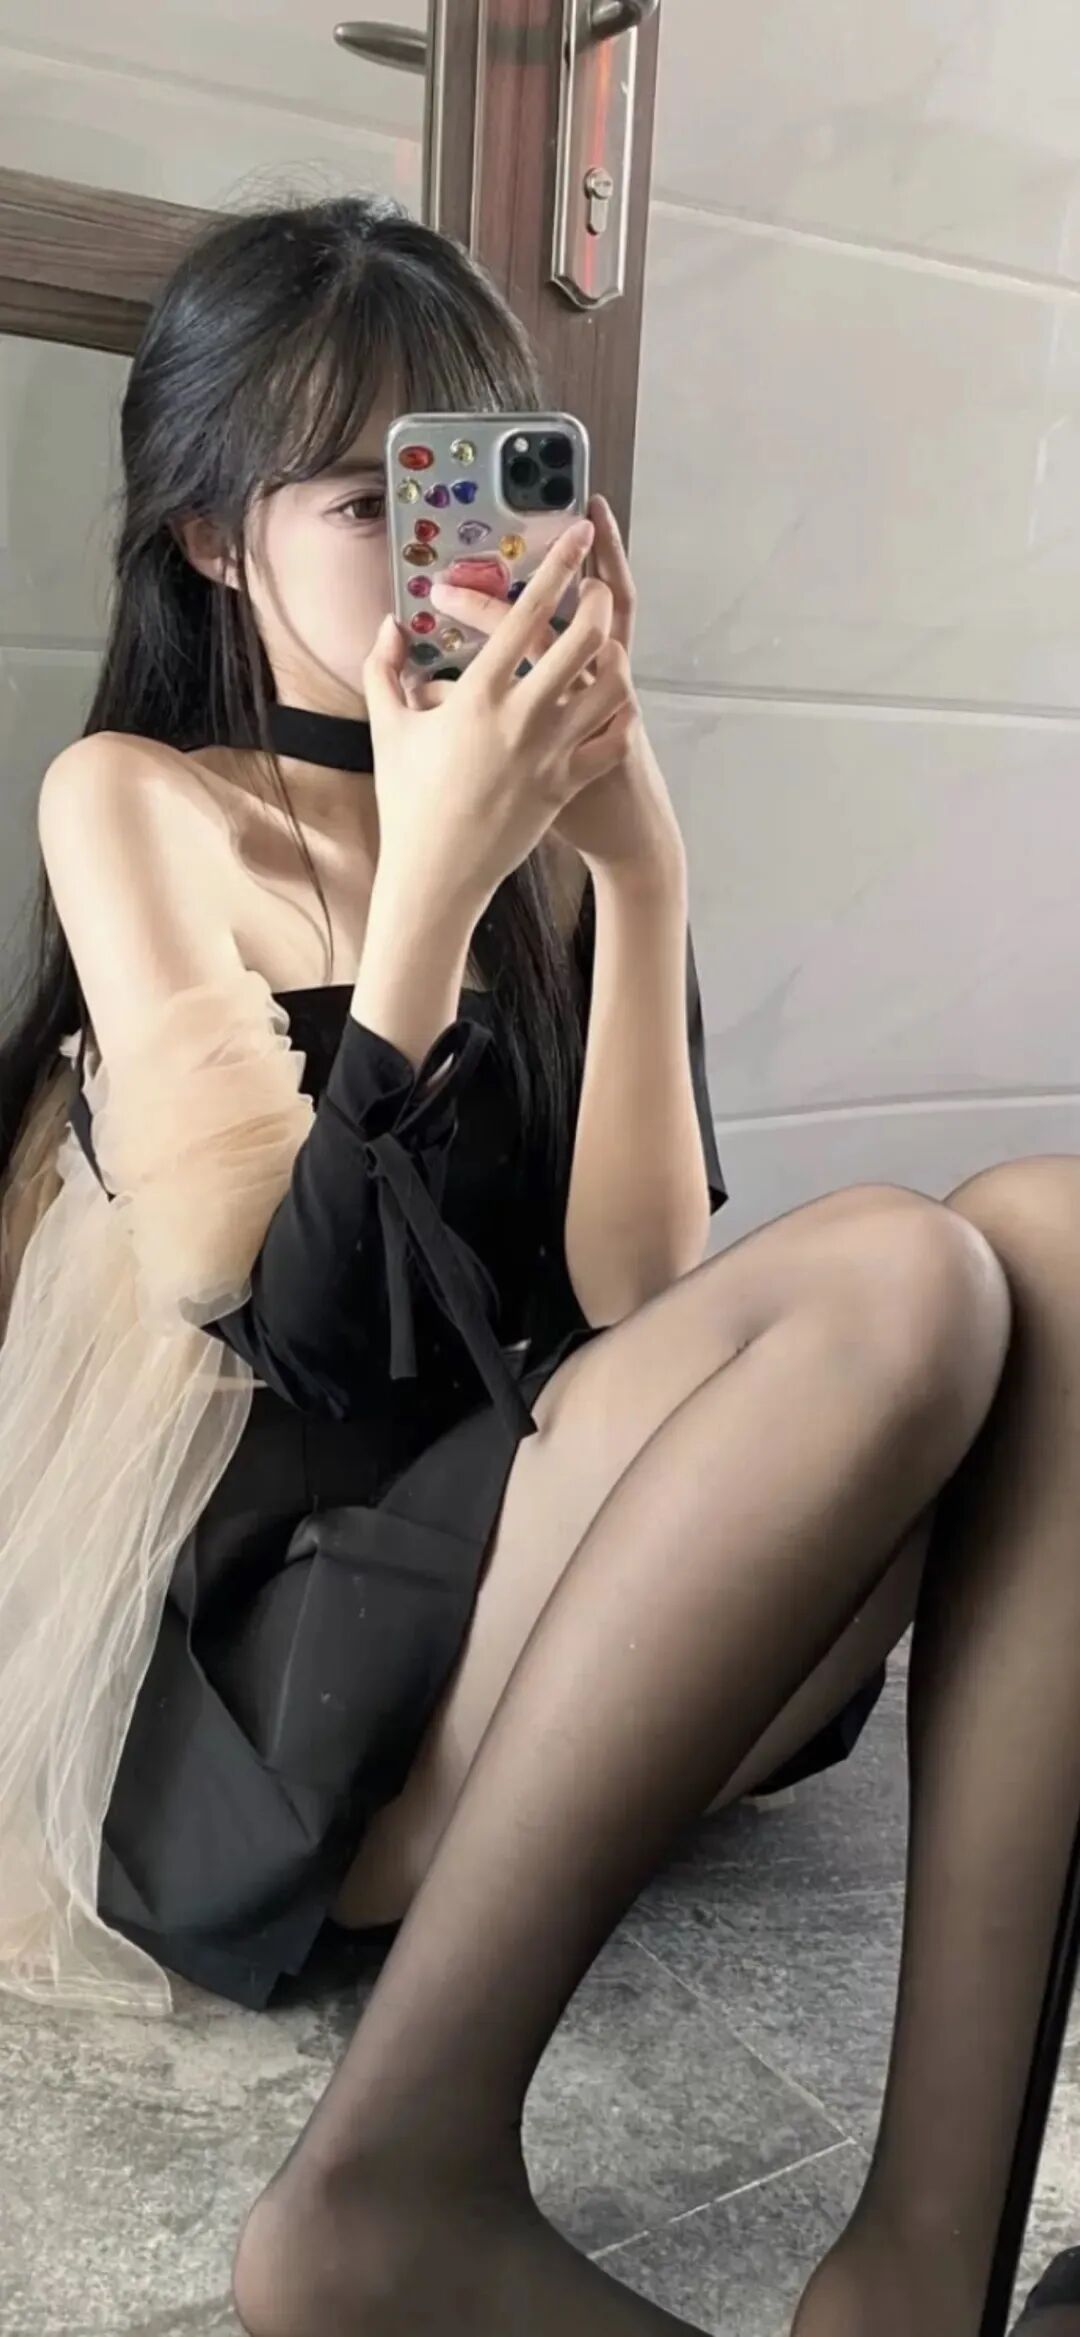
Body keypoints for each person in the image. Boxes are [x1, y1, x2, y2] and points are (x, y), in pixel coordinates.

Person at [0, 196, 1077, 2337]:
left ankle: (918, 2265)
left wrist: (636, 870)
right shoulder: (137, 799)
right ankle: (385, 2192)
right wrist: (426, 888)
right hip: (283, 1703)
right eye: (363, 497)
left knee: (1047, 1237)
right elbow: (296, 1335)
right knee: (910, 1274)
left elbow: (634, 1298)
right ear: (211, 541)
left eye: (482, 479)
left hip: (526, 1636)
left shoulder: (542, 851)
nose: (442, 548)